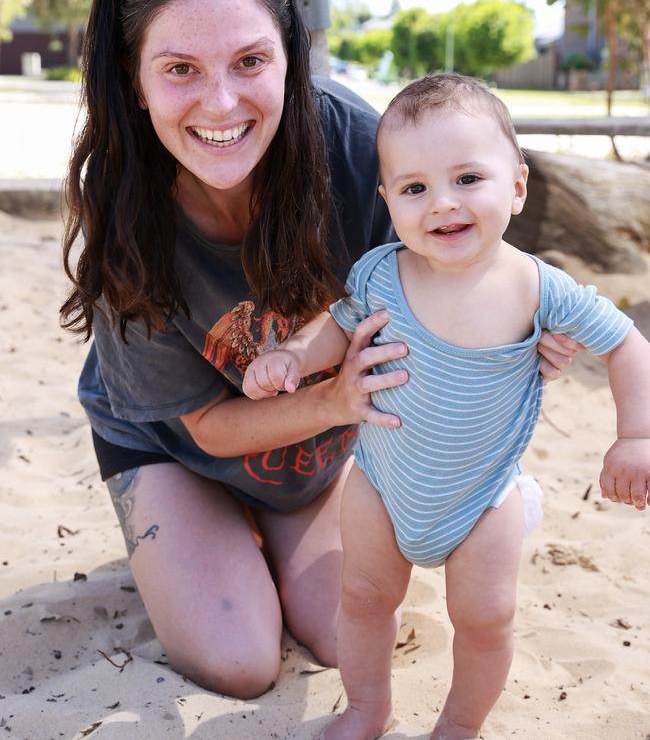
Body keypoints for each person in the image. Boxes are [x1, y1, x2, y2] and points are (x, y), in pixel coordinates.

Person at [61, 0, 578, 702]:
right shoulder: (123, 198)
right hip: (177, 444)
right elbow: (207, 424)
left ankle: (268, 534)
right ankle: (210, 534)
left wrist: (524, 332)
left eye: (250, 61)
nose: (222, 101)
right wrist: (336, 399)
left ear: (290, 60)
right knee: (239, 660)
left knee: (344, 636)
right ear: (135, 79)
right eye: (180, 69)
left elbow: (465, 267)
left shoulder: (359, 149)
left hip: (316, 450)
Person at [243, 73, 650, 739]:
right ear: (389, 199)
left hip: (483, 496)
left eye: (468, 179)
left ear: (516, 186)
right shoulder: (380, 271)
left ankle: (459, 725)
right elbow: (338, 326)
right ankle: (368, 707)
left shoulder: (538, 288)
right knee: (365, 599)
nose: (442, 204)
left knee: (485, 619)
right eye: (415, 188)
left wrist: (636, 435)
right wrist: (293, 354)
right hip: (382, 480)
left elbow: (630, 344)